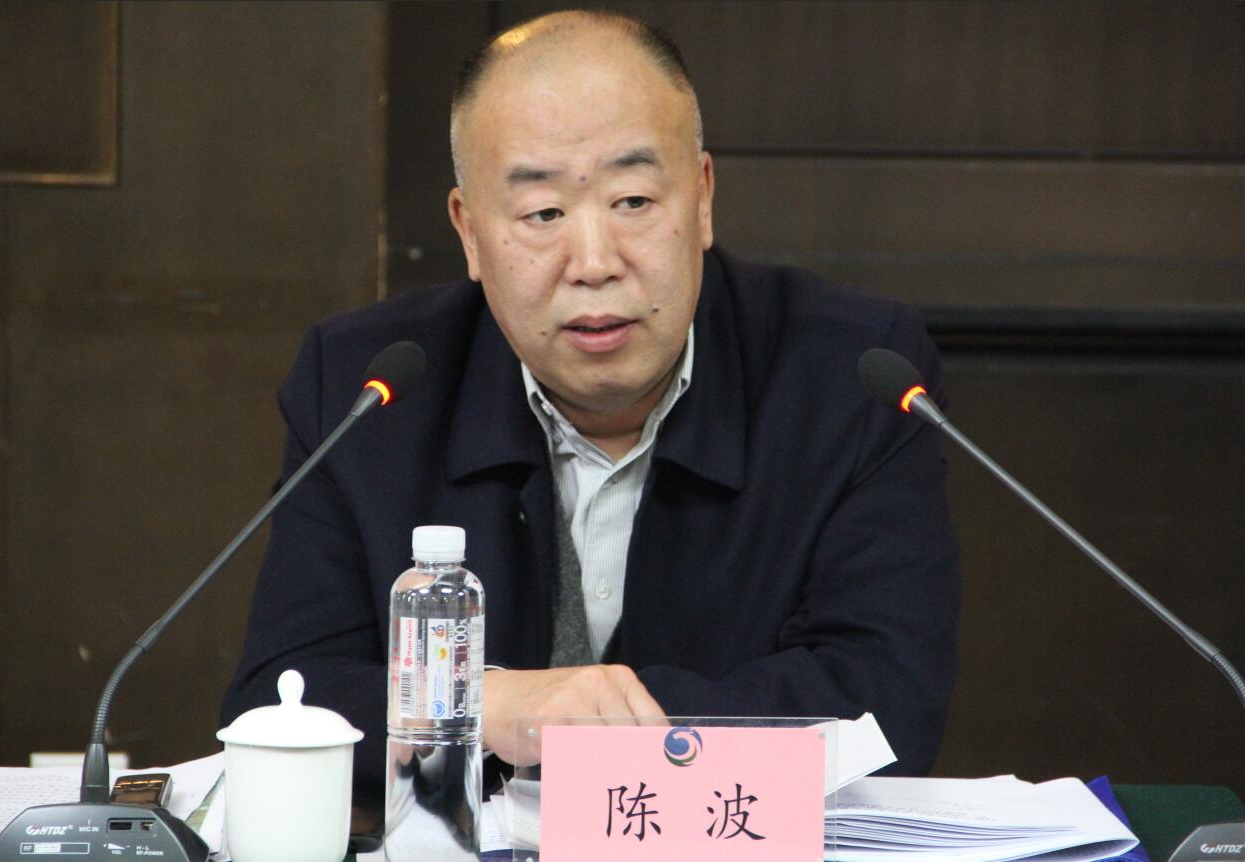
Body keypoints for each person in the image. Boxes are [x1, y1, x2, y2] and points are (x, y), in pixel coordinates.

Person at [222, 9, 960, 800]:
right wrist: (484, 706)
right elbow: (281, 698)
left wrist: (579, 729)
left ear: (702, 198)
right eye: (542, 214)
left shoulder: (853, 376)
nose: (595, 262)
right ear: (469, 232)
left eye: (633, 201)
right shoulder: (370, 389)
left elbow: (885, 702)